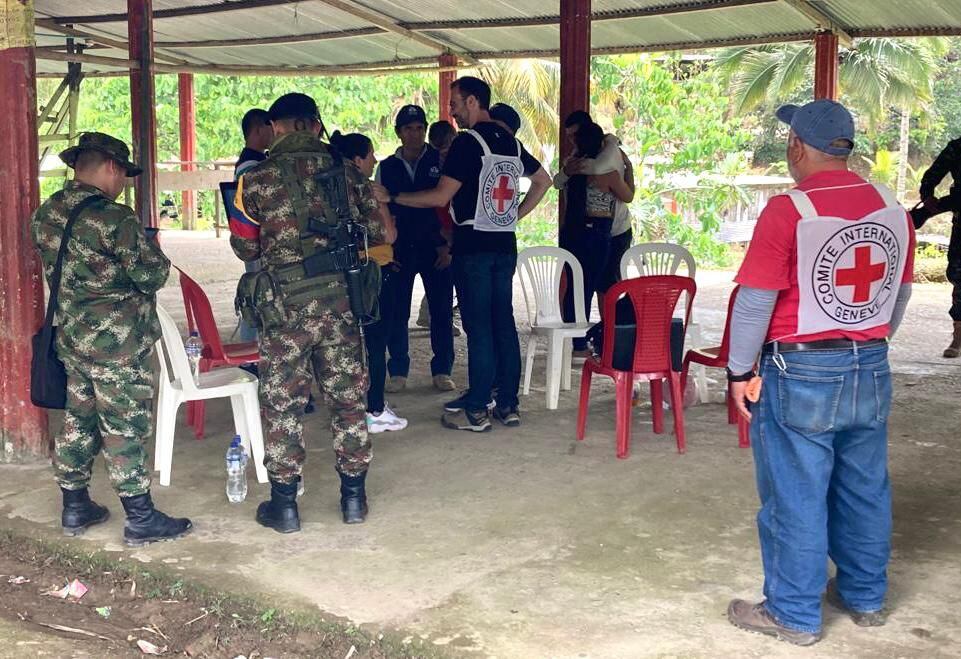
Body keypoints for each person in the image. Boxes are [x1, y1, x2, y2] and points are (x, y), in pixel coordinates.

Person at [726, 100, 914, 645]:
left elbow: (756, 303)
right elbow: (898, 296)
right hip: (871, 363)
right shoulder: (892, 209)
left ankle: (793, 612)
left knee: (796, 493)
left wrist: (740, 371)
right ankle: (864, 596)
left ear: (797, 146)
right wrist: (866, 347)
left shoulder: (788, 210)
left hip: (803, 370)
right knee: (865, 487)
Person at [231, 93, 389, 530]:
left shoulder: (256, 178)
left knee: (283, 404)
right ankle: (353, 500)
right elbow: (376, 233)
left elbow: (245, 245)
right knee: (348, 402)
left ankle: (284, 507)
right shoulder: (349, 173)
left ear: (277, 127)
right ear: (315, 125)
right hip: (341, 303)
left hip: (285, 309)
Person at [30, 132, 192, 547]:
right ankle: (140, 517)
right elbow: (151, 275)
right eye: (124, 175)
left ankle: (75, 505)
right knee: (124, 426)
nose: (123, 185)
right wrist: (151, 246)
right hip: (118, 346)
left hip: (73, 339)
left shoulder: (46, 213)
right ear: (113, 168)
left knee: (78, 421)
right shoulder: (114, 219)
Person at [381, 77, 552, 431]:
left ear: (473, 101)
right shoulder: (510, 142)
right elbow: (543, 181)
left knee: (479, 327)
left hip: (473, 244)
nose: (452, 111)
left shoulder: (467, 143)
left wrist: (393, 198)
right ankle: (507, 403)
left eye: (456, 103)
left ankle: (476, 408)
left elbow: (440, 197)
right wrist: (514, 216)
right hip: (504, 243)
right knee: (502, 322)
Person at [329, 130, 406, 434]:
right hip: (374, 271)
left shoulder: (330, 183)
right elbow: (388, 235)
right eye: (371, 153)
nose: (375, 159)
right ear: (359, 159)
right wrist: (384, 202)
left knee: (345, 343)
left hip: (341, 271)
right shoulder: (365, 187)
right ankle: (374, 408)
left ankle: (349, 408)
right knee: (376, 342)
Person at [376, 105, 456, 394]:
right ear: (399, 133)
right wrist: (387, 248)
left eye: (420, 128)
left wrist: (449, 246)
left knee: (441, 310)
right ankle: (398, 370)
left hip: (436, 248)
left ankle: (443, 369)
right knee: (397, 311)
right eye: (409, 128)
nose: (415, 133)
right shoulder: (386, 167)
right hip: (400, 249)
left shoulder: (442, 160)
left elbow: (451, 205)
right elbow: (379, 208)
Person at [555, 111, 635, 329]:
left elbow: (557, 182)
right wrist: (630, 170)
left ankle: (576, 340)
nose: (571, 140)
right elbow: (628, 196)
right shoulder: (606, 167)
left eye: (574, 136)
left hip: (578, 232)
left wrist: (566, 171)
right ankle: (606, 335)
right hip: (600, 233)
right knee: (604, 286)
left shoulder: (575, 165)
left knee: (578, 287)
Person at [918, 136, 961, 357]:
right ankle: (958, 337)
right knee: (959, 276)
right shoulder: (957, 147)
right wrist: (928, 199)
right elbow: (931, 176)